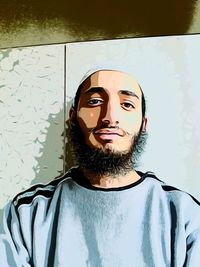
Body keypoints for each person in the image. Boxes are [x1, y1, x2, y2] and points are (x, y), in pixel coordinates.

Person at [0, 69, 200, 266]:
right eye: (95, 102)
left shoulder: (186, 216)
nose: (110, 117)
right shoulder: (25, 214)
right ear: (73, 117)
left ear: (143, 124)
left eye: (127, 104)